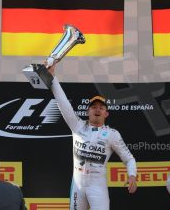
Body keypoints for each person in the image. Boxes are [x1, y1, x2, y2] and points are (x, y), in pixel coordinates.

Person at [47, 64, 137, 210]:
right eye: (94, 107)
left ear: (106, 114)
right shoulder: (77, 125)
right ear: (88, 111)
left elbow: (129, 159)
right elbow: (63, 103)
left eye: (101, 108)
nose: (97, 110)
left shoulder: (112, 134)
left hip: (97, 186)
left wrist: (132, 175)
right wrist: (52, 79)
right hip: (78, 185)